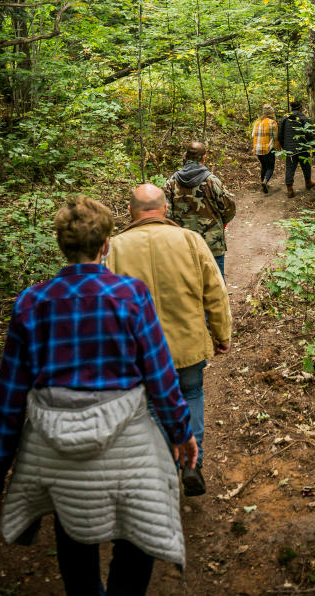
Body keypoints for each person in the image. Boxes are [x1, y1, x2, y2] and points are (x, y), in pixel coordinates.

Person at [0, 196, 197, 596]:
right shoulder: (130, 295)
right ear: (106, 243)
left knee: (74, 531)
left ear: (61, 244)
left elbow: (7, 402)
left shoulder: (32, 303)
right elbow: (160, 377)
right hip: (129, 450)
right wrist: (182, 433)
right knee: (137, 538)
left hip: (57, 453)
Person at [107, 183, 232, 498]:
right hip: (187, 343)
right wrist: (221, 333)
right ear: (165, 210)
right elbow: (215, 292)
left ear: (131, 212)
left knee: (150, 406)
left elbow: (104, 304)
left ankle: (160, 471)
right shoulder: (191, 240)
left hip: (139, 351)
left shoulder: (114, 249)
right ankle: (192, 463)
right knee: (191, 394)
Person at [163, 141, 236, 280]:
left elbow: (166, 214)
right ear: (204, 158)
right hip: (212, 243)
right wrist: (221, 223)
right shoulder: (212, 181)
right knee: (216, 283)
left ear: (185, 156)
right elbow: (229, 208)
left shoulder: (171, 182)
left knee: (187, 286)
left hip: (183, 245)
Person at [279, 99, 315, 198]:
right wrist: (313, 147)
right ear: (300, 107)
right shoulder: (304, 118)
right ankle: (308, 182)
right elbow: (309, 134)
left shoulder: (285, 118)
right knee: (306, 165)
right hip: (302, 147)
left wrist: (285, 146)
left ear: (291, 108)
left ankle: (290, 190)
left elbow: (280, 134)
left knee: (290, 168)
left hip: (290, 148)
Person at [251, 103, 280, 194]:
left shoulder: (257, 122)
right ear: (271, 113)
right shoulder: (272, 123)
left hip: (258, 149)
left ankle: (262, 182)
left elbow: (253, 135)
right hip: (268, 149)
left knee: (263, 166)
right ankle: (265, 181)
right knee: (270, 167)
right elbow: (275, 138)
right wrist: (278, 148)